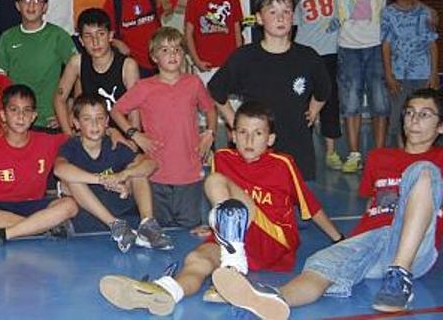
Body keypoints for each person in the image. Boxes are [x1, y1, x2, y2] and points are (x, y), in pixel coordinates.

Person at [99, 101, 342, 317]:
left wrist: (338, 238)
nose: (249, 140)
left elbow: (311, 206)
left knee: (214, 181)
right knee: (197, 259)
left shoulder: (283, 164)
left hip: (273, 239)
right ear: (232, 135)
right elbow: (224, 203)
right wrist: (215, 223)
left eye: (258, 134)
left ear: (270, 139)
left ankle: (232, 267)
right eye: (243, 132)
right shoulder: (223, 157)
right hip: (237, 241)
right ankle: (167, 291)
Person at [215, 89, 443, 318]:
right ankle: (275, 299)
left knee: (423, 170)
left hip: (414, 250)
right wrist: (343, 241)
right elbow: (372, 208)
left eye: (425, 115)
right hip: (369, 244)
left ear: (440, 126)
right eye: (410, 112)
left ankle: (400, 276)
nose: (414, 119)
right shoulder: (378, 157)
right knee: (320, 265)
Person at [209, 0, 331, 181]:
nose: (280, 18)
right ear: (259, 18)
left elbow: (324, 89)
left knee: (293, 206)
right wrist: (234, 122)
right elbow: (216, 90)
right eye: (272, 12)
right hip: (254, 148)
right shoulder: (244, 57)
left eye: (286, 12)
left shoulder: (308, 57)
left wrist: (314, 111)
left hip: (296, 149)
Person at [110, 27, 216, 233]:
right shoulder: (144, 87)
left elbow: (210, 108)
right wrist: (134, 134)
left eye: (177, 49)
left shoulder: (193, 83)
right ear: (154, 57)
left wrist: (210, 133)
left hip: (189, 174)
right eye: (165, 50)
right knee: (160, 233)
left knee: (190, 231)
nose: (173, 54)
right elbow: (116, 111)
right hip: (156, 175)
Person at [0, 84, 78, 245]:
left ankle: (6, 234)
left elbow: (79, 140)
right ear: (3, 115)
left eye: (27, 111)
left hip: (35, 204)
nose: (21, 116)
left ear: (34, 116)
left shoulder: (47, 141)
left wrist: (110, 132)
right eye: (14, 110)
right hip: (0, 208)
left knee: (69, 205)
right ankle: (43, 226)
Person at [55, 93, 167, 252]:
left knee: (138, 172)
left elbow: (151, 164)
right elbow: (59, 169)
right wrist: (103, 179)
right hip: (89, 214)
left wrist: (123, 175)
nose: (94, 124)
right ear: (76, 123)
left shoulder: (115, 146)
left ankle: (147, 225)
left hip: (120, 207)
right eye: (87, 119)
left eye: (100, 118)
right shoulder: (71, 147)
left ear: (107, 122)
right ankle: (116, 226)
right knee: (71, 179)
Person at [329, 0, 396, 173]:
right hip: (347, 45)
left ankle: (378, 155)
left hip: (378, 44)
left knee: (380, 103)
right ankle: (355, 153)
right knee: (351, 104)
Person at [0, 0, 77, 129]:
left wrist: (70, 114)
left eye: (37, 0)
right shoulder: (7, 37)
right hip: (16, 123)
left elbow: (79, 74)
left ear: (45, 7)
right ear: (17, 6)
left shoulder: (58, 36)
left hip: (50, 121)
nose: (31, 5)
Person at [293, 0, 342, 170]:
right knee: (303, 102)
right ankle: (304, 149)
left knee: (330, 101)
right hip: (305, 55)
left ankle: (331, 152)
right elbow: (293, 26)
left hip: (330, 53)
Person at [54, 8, 140, 134]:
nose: (95, 42)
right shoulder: (77, 62)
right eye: (88, 36)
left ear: (110, 35)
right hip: (90, 135)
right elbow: (59, 98)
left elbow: (135, 109)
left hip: (122, 134)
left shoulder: (128, 66)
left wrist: (133, 142)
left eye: (101, 34)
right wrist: (68, 135)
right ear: (81, 41)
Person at [382, 0, 439, 147]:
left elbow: (432, 43)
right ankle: (402, 152)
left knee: (425, 114)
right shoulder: (387, 13)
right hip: (398, 76)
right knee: (399, 116)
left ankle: (424, 152)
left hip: (422, 74)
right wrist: (389, 74)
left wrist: (434, 73)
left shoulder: (425, 13)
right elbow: (386, 45)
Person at [104, 0, 176, 77]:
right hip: (132, 65)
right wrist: (116, 42)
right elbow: (103, 34)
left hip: (159, 62)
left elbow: (178, 3)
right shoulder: (112, 3)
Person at [185, 0, 243, 84]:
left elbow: (237, 30)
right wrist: (196, 61)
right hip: (205, 66)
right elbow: (188, 34)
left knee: (231, 103)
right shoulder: (194, 1)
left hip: (229, 65)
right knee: (205, 103)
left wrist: (238, 60)